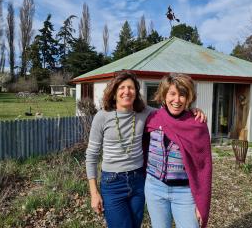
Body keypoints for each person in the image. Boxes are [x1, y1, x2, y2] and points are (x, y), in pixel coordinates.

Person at [85, 71, 206, 228]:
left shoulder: (146, 113)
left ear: (136, 92)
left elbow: (171, 112)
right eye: (121, 87)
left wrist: (193, 111)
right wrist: (94, 193)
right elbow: (91, 156)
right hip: (112, 183)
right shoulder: (102, 116)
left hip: (138, 181)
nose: (126, 91)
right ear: (114, 91)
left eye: (131, 88)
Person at [144, 73, 212, 228]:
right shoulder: (153, 118)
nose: (177, 100)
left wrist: (203, 203)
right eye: (172, 94)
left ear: (188, 98)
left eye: (182, 95)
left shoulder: (197, 124)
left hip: (185, 192)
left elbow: (204, 168)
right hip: (154, 188)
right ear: (164, 95)